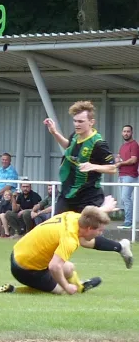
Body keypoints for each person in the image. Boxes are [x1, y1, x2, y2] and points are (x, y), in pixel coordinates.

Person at [43, 100, 134, 263]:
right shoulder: (75, 136)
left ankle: (120, 247)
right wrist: (54, 132)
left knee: (84, 237)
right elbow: (68, 146)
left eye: (80, 121)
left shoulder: (99, 144)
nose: (76, 124)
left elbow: (112, 168)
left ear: (91, 122)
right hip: (68, 192)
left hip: (88, 195)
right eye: (75, 121)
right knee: (56, 230)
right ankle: (120, 247)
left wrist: (93, 166)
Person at [0, 196, 133, 295]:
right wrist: (66, 286)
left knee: (70, 267)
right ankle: (14, 289)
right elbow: (54, 266)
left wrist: (104, 209)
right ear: (90, 228)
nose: (100, 233)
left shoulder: (73, 217)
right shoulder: (70, 239)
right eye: (100, 230)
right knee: (62, 291)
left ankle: (80, 285)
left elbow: (88, 215)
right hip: (25, 269)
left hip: (20, 252)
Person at [115, 125, 139, 229]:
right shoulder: (122, 146)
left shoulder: (134, 145)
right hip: (121, 175)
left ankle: (129, 222)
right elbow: (120, 160)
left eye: (128, 131)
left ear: (131, 133)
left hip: (130, 175)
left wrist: (121, 163)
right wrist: (117, 161)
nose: (126, 133)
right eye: (124, 131)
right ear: (122, 133)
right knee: (123, 199)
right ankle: (128, 221)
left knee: (126, 198)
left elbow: (133, 159)